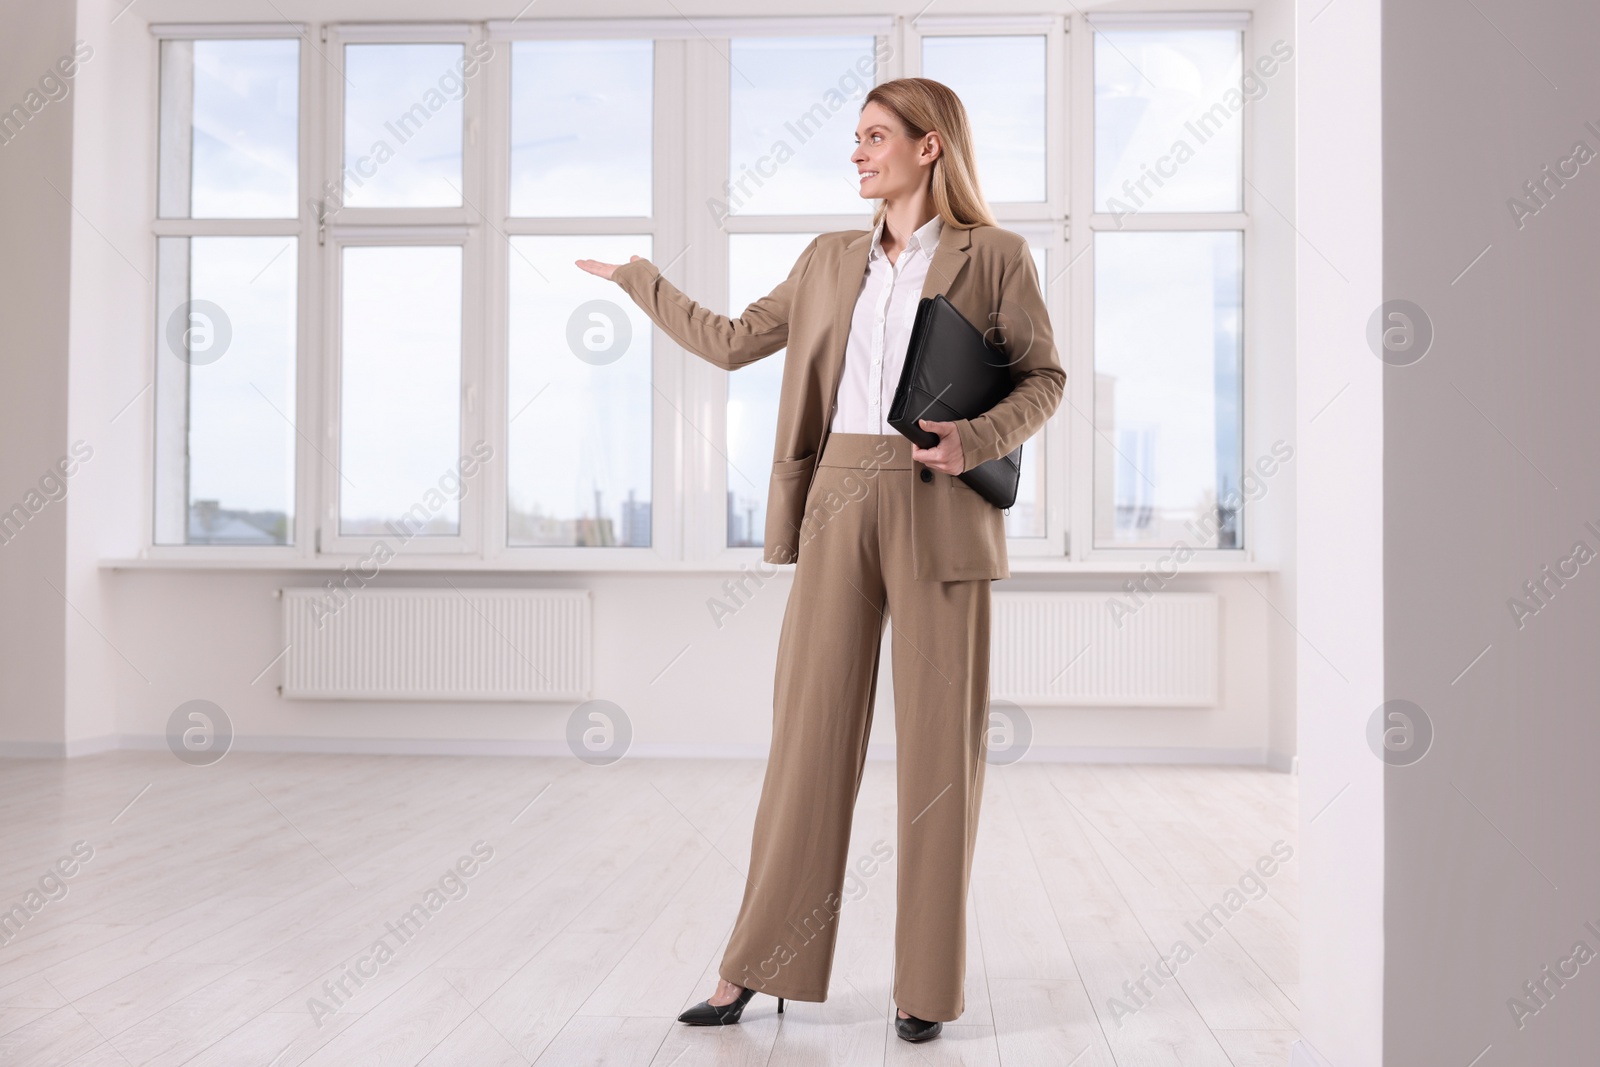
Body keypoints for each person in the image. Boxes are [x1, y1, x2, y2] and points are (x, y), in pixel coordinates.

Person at [576, 76, 1063, 1044]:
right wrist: (641, 279)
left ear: (929, 147)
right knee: (806, 741)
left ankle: (924, 983)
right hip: (838, 498)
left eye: (875, 136)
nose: (856, 151)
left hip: (943, 504)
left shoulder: (996, 256)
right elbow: (727, 342)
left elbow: (1044, 375)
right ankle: (752, 964)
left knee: (939, 760)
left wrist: (974, 438)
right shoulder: (828, 259)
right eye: (854, 136)